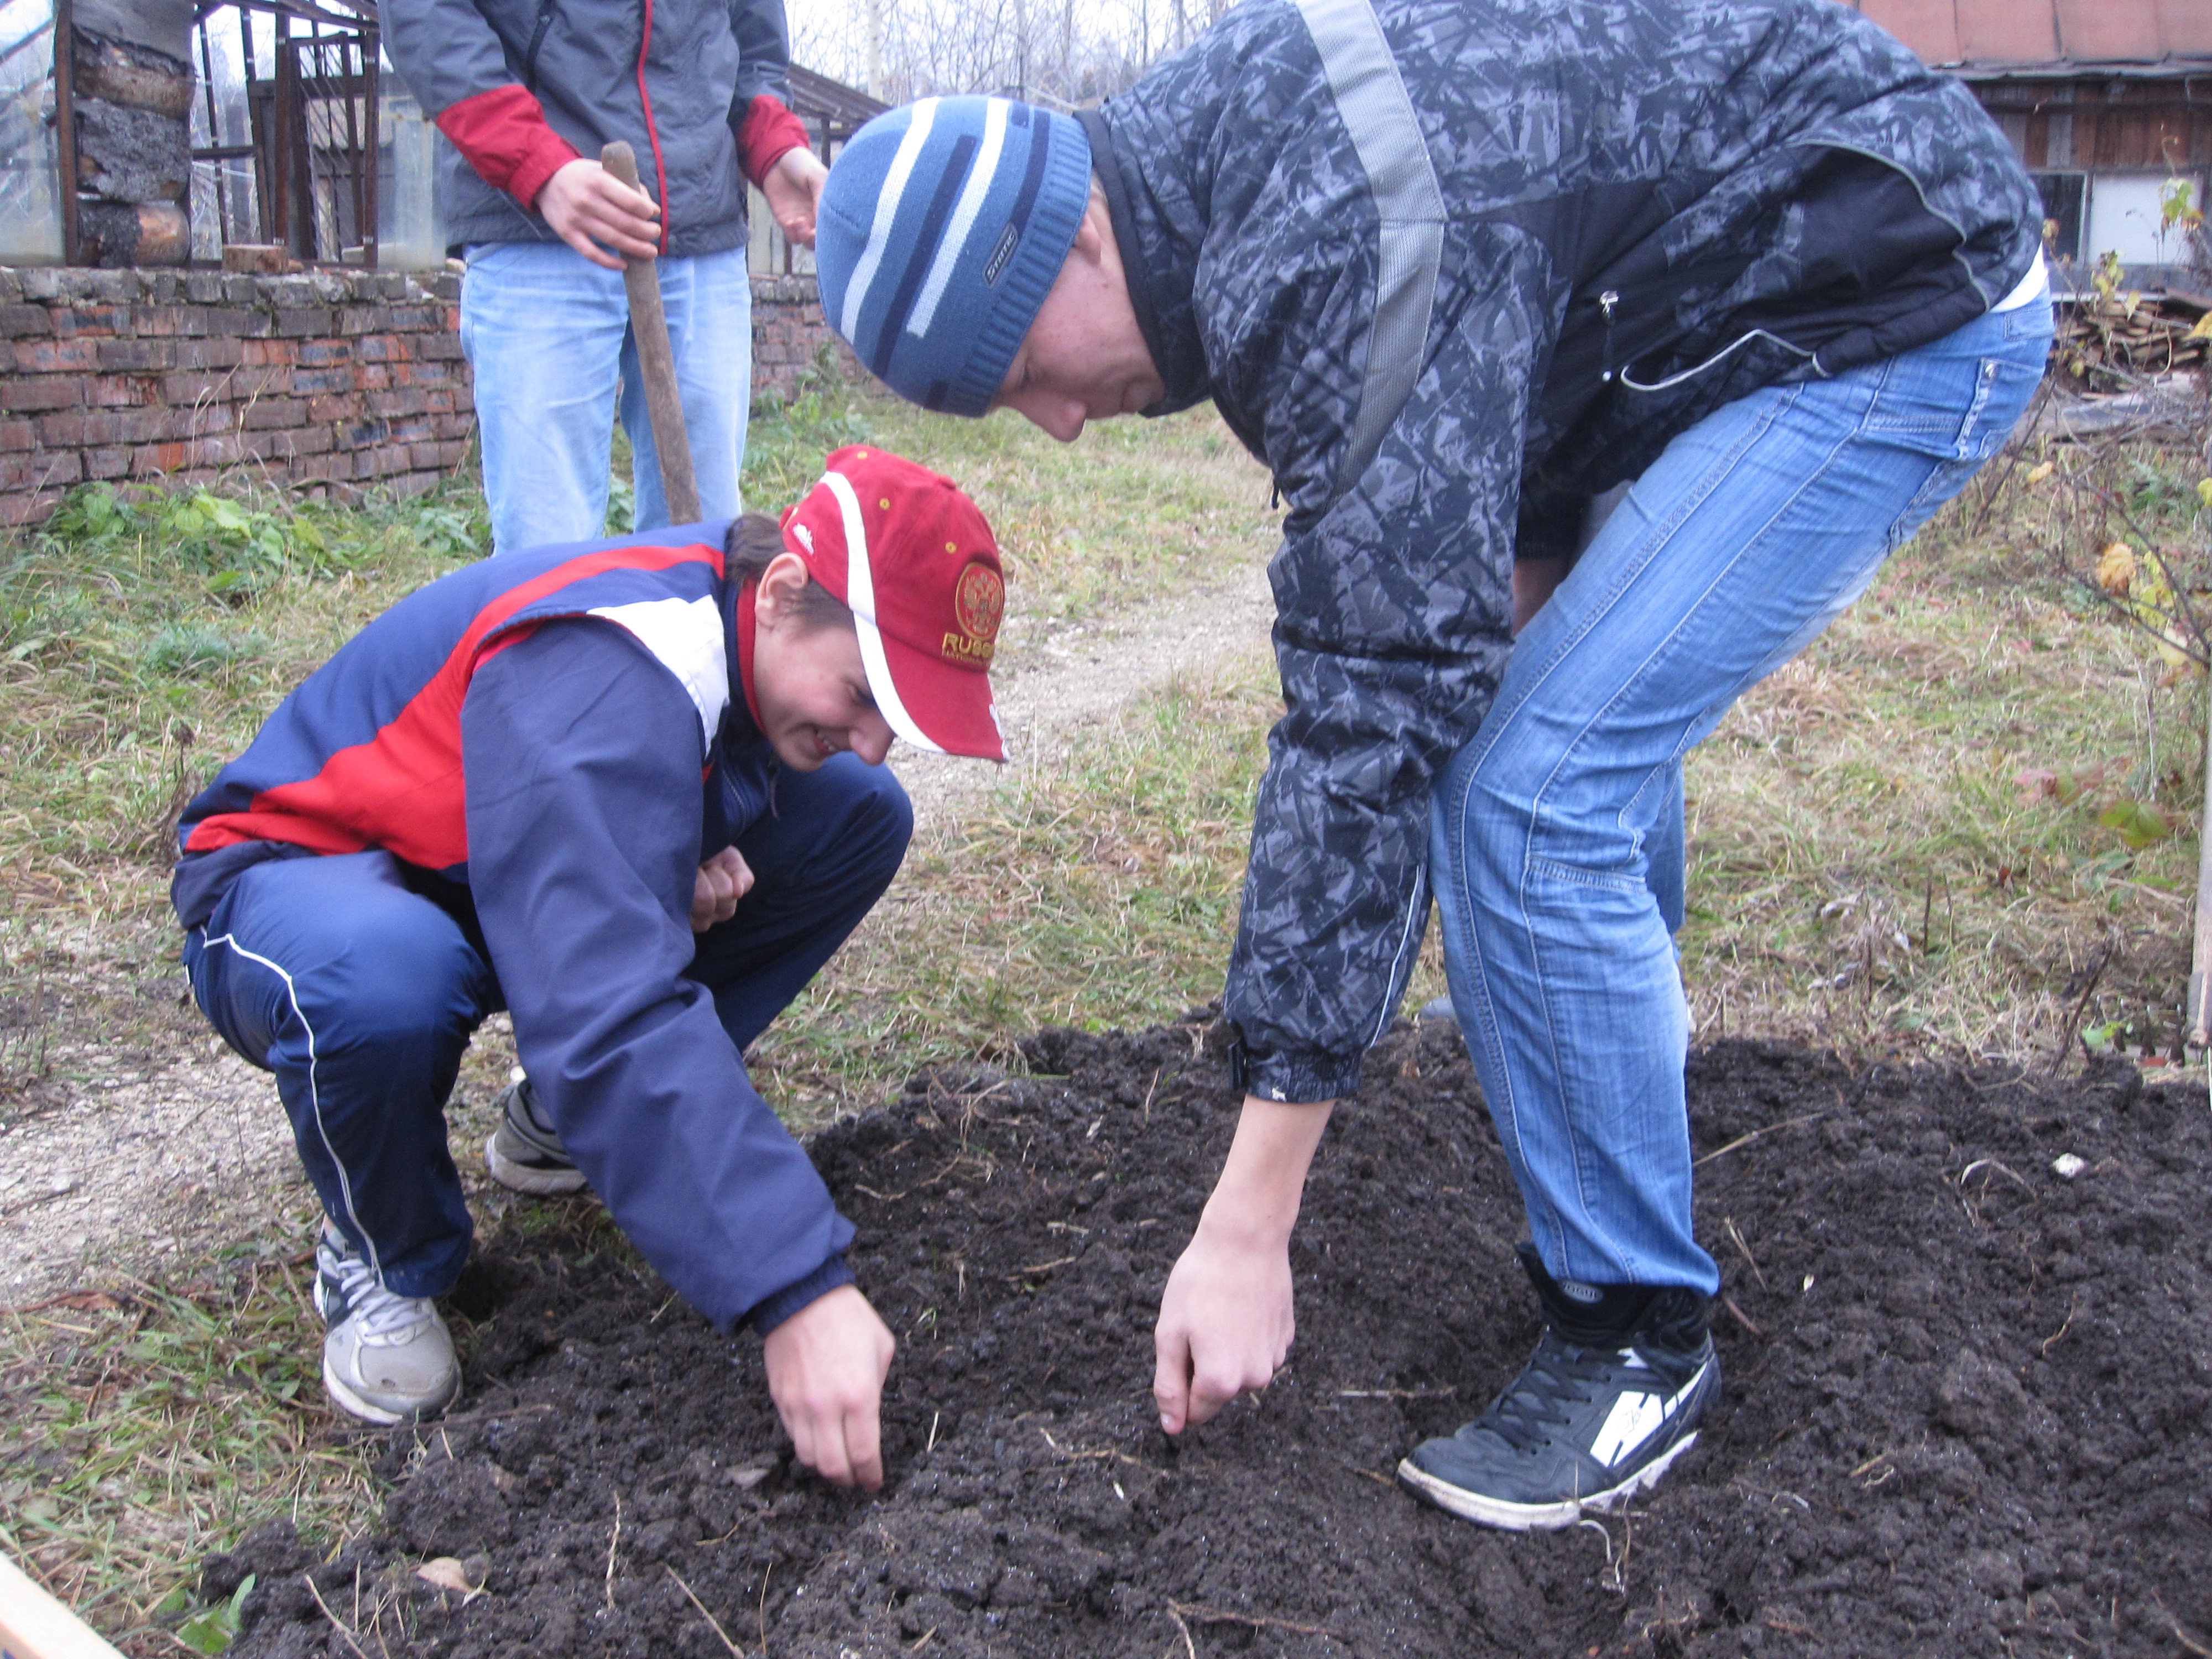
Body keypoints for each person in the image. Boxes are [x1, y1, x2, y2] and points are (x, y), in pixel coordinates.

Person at [808, 0, 2051, 1530]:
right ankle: (1606, 1047)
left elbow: (1369, 716)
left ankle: (1633, 1337)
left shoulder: (1321, 244)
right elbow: (1473, 480)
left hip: (1892, 288)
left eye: (1022, 375)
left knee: (1530, 793)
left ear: (1071, 242)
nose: (1059, 426)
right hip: (1700, 281)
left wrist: (1248, 1221)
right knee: (1522, 735)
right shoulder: (1218, 168)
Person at [171, 447, 1009, 1489]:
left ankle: (560, 1122)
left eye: (898, 716)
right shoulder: (611, 662)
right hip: (304, 869)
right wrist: (796, 1286)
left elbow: (633, 800)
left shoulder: (741, 624)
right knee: (385, 983)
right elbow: (609, 1004)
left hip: (484, 862)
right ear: (784, 592)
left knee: (855, 811)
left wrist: (687, 831)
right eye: (862, 693)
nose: (874, 739)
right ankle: (384, 1253)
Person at [378, 0, 831, 554]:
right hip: (534, 228)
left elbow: (753, 35)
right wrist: (536, 161)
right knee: (546, 556)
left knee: (704, 548)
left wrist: (774, 145)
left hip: (699, 222)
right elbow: (428, 16)